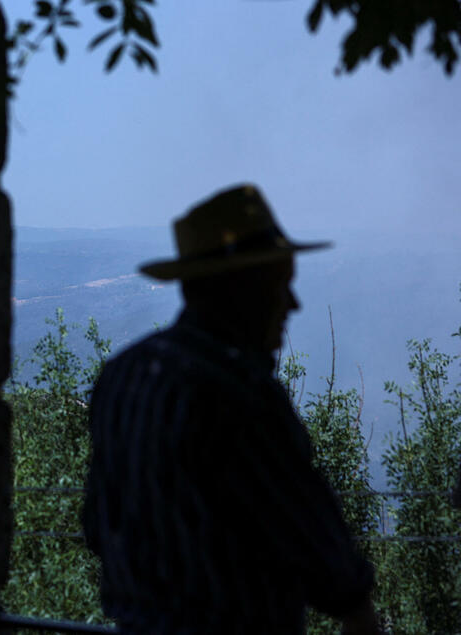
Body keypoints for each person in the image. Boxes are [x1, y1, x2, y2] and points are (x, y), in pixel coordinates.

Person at [82, 184, 383, 634]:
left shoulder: (122, 374)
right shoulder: (238, 392)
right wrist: (356, 608)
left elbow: (95, 523)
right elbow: (317, 543)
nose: (293, 304)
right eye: (281, 286)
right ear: (239, 290)